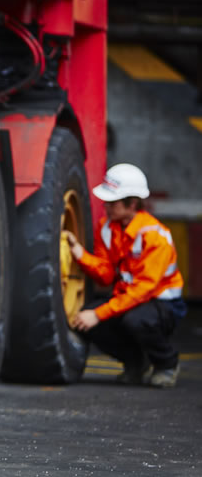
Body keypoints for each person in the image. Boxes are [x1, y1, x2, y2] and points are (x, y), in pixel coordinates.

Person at [64, 163, 187, 388]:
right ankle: (136, 364)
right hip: (130, 301)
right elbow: (106, 276)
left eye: (112, 202)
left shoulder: (155, 237)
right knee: (85, 319)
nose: (107, 206)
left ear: (132, 204)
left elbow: (143, 290)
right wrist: (81, 255)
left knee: (134, 320)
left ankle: (166, 364)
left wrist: (100, 314)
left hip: (161, 305)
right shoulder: (107, 228)